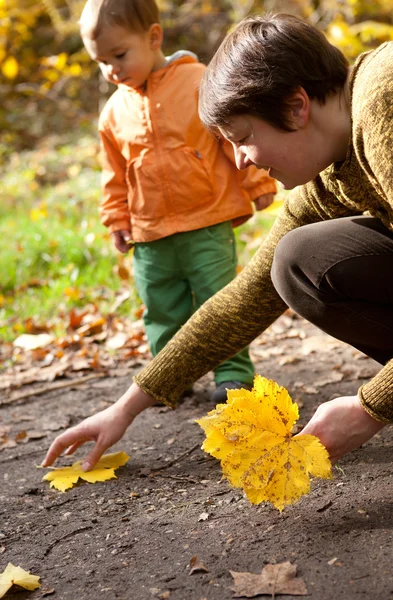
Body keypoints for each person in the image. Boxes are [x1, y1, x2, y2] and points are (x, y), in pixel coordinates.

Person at [43, 13, 393, 474]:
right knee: (297, 262)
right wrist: (125, 407)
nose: (241, 162)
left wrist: (369, 408)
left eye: (243, 138)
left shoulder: (383, 106)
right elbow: (244, 298)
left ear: (295, 106)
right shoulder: (330, 173)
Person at [77, 0, 277, 406]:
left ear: (154, 38)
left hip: (208, 218)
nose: (112, 69)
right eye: (101, 61)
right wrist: (116, 217)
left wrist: (256, 180)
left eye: (119, 55)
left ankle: (233, 374)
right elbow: (113, 173)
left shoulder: (198, 81)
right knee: (160, 306)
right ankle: (169, 377)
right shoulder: (113, 111)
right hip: (149, 230)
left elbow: (231, 133)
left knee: (219, 298)